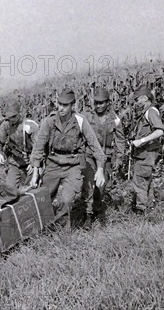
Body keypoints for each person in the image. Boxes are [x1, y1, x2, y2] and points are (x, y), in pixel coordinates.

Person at [29, 88, 107, 227]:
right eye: (59, 104)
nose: (61, 108)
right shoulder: (50, 121)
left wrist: (100, 169)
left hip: (73, 164)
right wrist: (35, 172)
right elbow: (39, 146)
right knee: (43, 197)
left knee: (66, 199)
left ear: (72, 105)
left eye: (65, 105)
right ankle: (42, 226)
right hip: (53, 163)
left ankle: (59, 228)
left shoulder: (80, 121)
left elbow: (95, 146)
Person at [80, 88, 126, 229]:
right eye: (96, 103)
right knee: (88, 185)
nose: (98, 105)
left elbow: (120, 140)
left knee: (100, 187)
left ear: (108, 103)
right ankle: (87, 215)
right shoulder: (87, 117)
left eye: (101, 103)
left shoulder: (115, 120)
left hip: (105, 157)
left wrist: (119, 159)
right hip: (89, 154)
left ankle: (97, 211)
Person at [127, 85, 164, 214]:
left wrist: (141, 141)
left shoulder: (151, 112)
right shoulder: (147, 112)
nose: (136, 103)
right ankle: (149, 207)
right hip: (144, 153)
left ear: (144, 98)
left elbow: (159, 131)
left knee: (139, 181)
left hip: (146, 153)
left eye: (137, 100)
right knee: (146, 181)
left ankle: (141, 210)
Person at [0, 101, 39, 188]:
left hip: (30, 163)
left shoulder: (31, 126)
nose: (11, 119)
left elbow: (38, 147)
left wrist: (34, 164)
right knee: (10, 189)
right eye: (9, 117)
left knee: (31, 189)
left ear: (19, 113)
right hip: (14, 162)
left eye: (14, 116)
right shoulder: (6, 124)